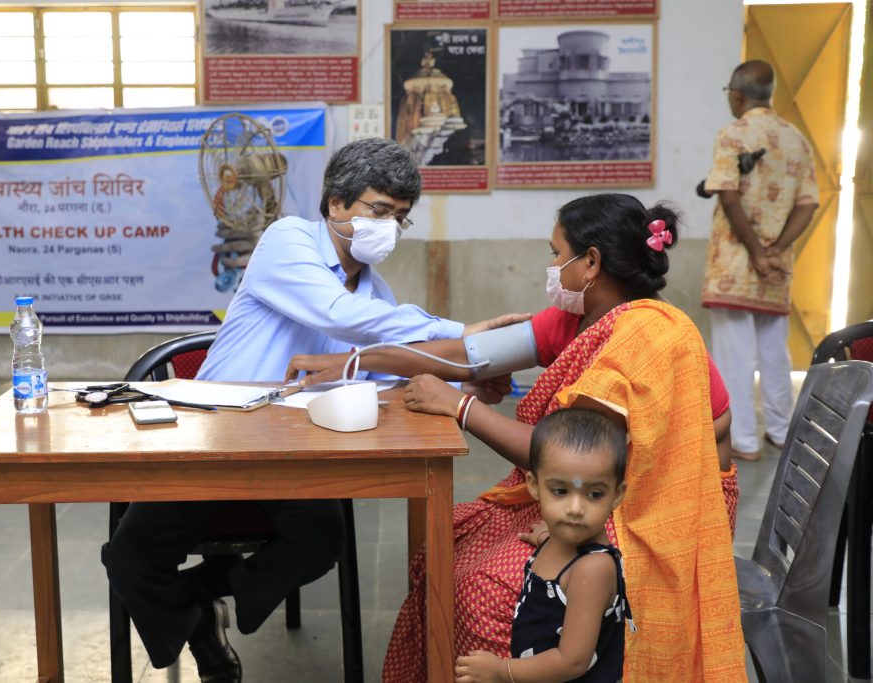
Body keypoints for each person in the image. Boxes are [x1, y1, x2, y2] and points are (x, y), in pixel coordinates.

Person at [101, 137, 523, 683]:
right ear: (336, 205)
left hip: (300, 447)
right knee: (130, 559)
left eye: (400, 218)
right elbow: (344, 318)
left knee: (320, 539)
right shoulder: (288, 240)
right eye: (378, 210)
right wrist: (462, 335)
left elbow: (386, 363)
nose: (388, 227)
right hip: (216, 434)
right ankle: (201, 626)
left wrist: (468, 371)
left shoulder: (377, 294)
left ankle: (211, 592)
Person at [286, 193, 746, 681]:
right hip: (592, 490)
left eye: (555, 253)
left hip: (651, 509)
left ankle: (509, 668)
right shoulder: (582, 317)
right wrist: (354, 362)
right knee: (449, 550)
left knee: (482, 585)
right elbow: (461, 354)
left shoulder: (647, 335)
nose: (550, 267)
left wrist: (459, 406)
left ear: (590, 263)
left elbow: (578, 458)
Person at [455, 408, 633, 683]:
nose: (575, 508)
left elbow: (572, 661)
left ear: (616, 495)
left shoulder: (592, 569)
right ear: (535, 486)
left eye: (594, 494)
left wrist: (502, 671)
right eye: (560, 491)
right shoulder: (559, 540)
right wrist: (545, 539)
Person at [702, 59, 818, 461]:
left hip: (735, 265)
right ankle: (783, 432)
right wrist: (774, 250)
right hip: (776, 267)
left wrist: (753, 251)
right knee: (774, 353)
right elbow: (807, 204)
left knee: (734, 357)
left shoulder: (733, 133)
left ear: (736, 93)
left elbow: (727, 194)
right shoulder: (795, 138)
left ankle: (744, 442)